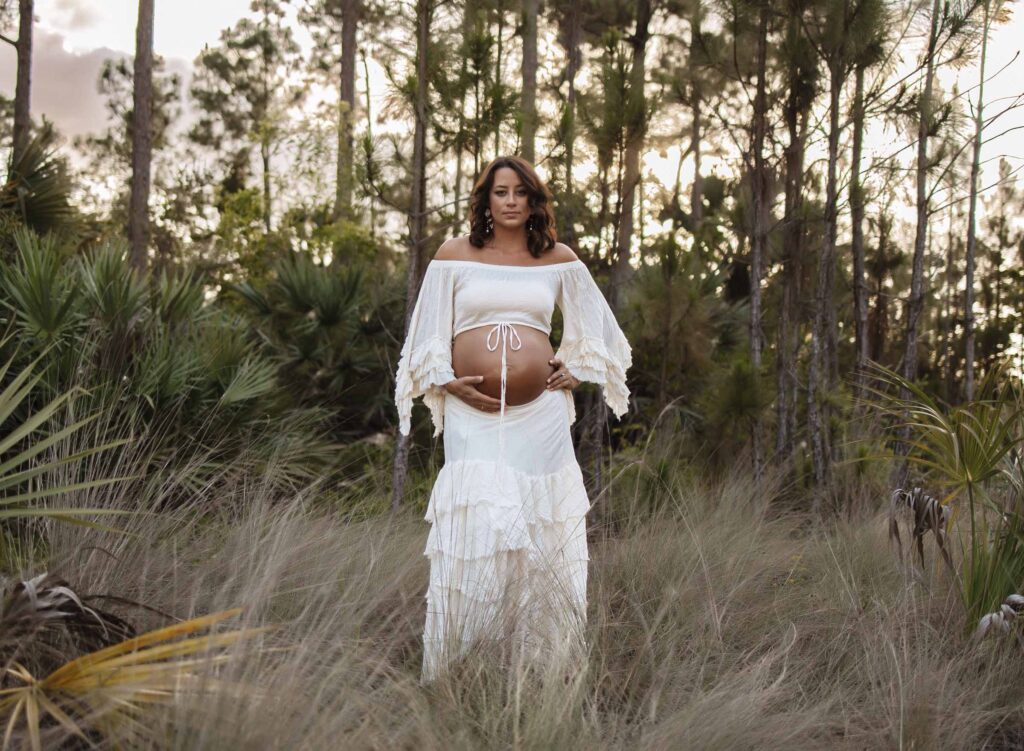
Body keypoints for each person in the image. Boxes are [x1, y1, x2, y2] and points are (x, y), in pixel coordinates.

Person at [394, 155, 632, 684]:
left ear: (533, 202)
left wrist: (578, 366)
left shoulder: (558, 259)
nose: (509, 201)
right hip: (472, 413)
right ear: (485, 199)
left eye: (520, 193)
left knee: (541, 528)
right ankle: (462, 670)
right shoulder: (454, 255)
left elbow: (597, 328)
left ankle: (536, 670)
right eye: (500, 192)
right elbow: (428, 332)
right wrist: (442, 378)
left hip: (540, 417)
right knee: (477, 523)